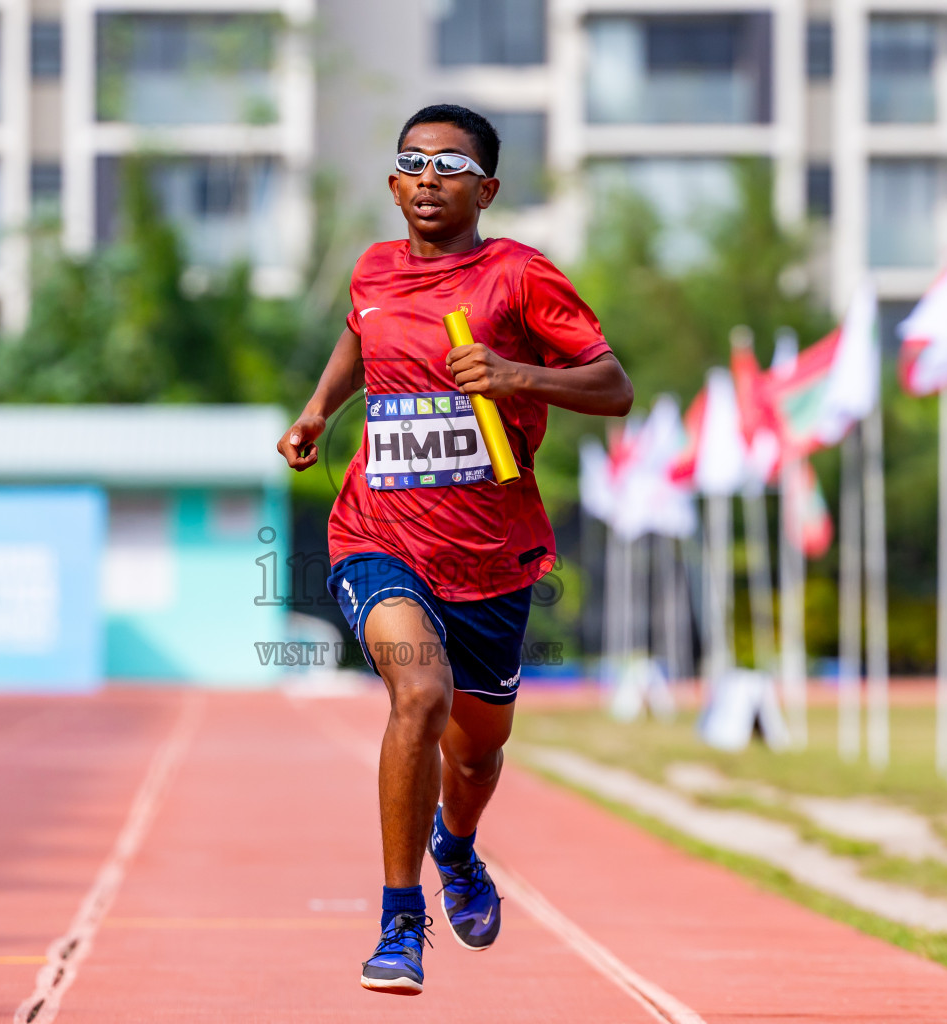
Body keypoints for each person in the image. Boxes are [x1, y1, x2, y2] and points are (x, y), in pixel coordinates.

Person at [276, 104, 633, 996]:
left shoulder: (518, 276)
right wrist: (322, 408)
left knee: (475, 756)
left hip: (492, 558)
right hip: (377, 536)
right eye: (412, 162)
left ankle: (458, 846)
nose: (428, 177)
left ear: (487, 188)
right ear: (394, 184)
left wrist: (517, 376)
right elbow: (361, 333)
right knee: (419, 696)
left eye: (450, 164)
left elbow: (613, 386)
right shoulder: (373, 268)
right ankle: (401, 924)